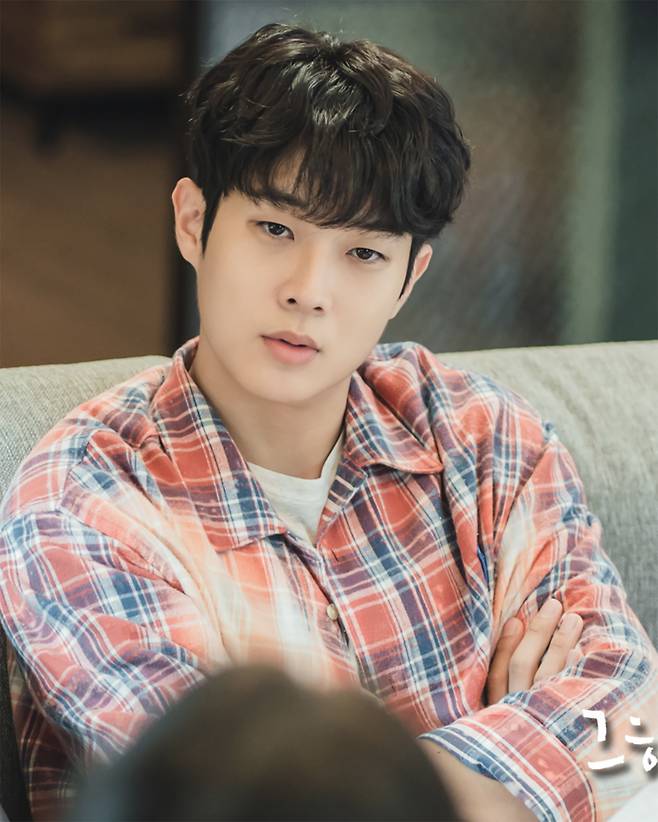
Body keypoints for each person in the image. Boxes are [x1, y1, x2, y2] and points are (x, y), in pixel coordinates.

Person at [0, 21, 655, 822]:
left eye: (364, 254)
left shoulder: (484, 440)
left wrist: (374, 780)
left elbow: (640, 732)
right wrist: (518, 763)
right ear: (193, 222)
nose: (309, 291)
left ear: (410, 278)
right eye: (276, 229)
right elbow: (239, 803)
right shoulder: (84, 503)